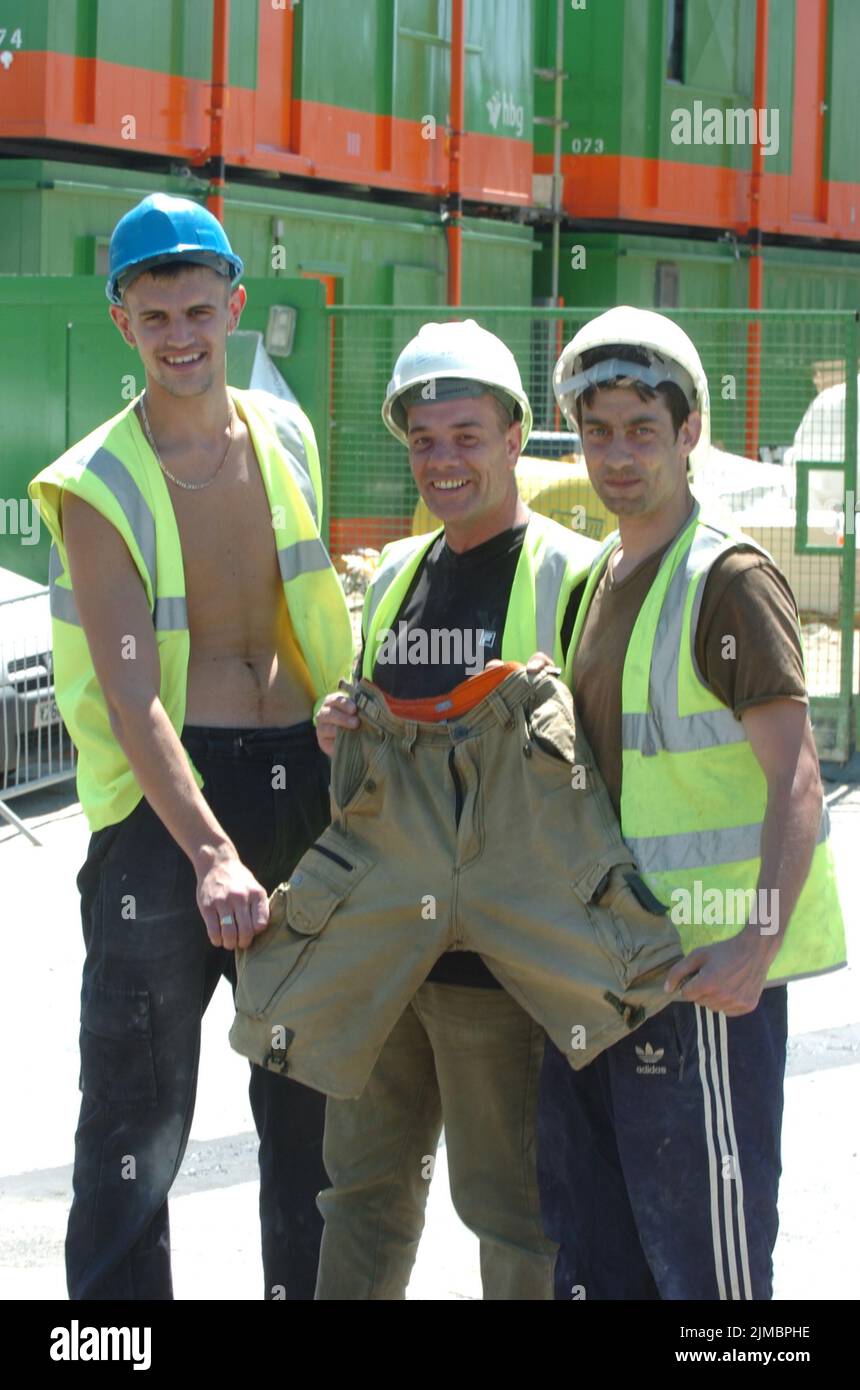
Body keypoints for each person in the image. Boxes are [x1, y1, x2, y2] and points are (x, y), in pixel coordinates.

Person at [28, 193, 354, 1300]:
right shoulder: (97, 483)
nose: (180, 337)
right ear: (122, 321)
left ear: (236, 309)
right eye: (156, 316)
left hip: (296, 792)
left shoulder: (288, 438)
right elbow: (131, 696)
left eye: (199, 313)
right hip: (165, 821)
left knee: (311, 1108)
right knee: (135, 1116)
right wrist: (211, 852)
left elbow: (312, 615)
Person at [538, 305, 847, 1301]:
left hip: (702, 979)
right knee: (603, 1254)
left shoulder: (725, 580)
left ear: (688, 433)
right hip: (609, 974)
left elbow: (794, 776)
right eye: (596, 431)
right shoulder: (596, 580)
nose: (615, 454)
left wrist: (754, 943)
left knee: (706, 1270)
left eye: (640, 428)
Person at [312, 319, 598, 1299]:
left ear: (515, 437)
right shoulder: (393, 573)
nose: (442, 459)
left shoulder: (570, 572)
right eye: (424, 439)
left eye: (465, 435)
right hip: (384, 955)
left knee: (511, 1211)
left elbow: (601, 760)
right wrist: (344, 722)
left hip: (499, 972)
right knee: (360, 1197)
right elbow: (381, 729)